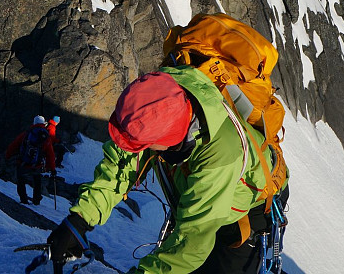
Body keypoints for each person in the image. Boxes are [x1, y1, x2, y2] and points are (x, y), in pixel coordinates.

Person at [46, 67, 288, 273]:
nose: (139, 150)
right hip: (196, 194)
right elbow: (121, 164)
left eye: (146, 145)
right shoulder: (156, 97)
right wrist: (79, 219)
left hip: (245, 213)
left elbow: (193, 239)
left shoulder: (220, 153)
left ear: (169, 140)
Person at [5, 115, 56, 205]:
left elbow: (14, 145)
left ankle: (23, 199)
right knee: (37, 181)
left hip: (23, 162)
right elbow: (50, 154)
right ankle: (36, 200)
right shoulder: (46, 137)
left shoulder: (27, 133)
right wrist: (52, 168)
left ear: (34, 122)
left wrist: (8, 156)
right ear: (43, 123)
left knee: (21, 180)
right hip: (37, 164)